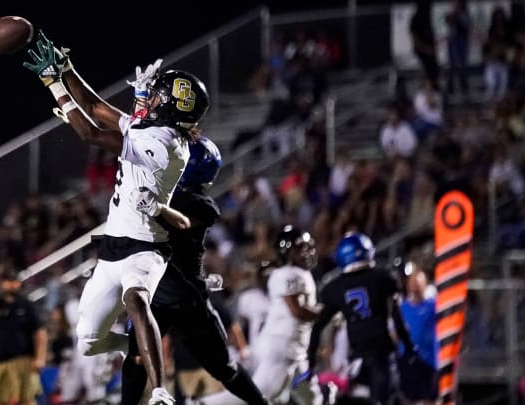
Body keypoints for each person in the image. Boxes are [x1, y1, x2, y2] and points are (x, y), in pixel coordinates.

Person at [23, 31, 208, 405]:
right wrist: (67, 69)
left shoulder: (162, 143)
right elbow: (95, 107)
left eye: (159, 95)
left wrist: (54, 86)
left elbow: (91, 133)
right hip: (113, 247)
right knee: (88, 340)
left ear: (171, 108)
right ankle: (141, 345)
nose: (150, 97)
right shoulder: (156, 131)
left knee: (136, 300)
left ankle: (159, 391)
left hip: (147, 246)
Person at [119, 137, 267, 405]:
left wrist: (150, 203)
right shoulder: (168, 191)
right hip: (160, 293)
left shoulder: (200, 204)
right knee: (136, 357)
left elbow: (177, 220)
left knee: (223, 368)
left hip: (183, 295)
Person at [199, 225, 322, 405]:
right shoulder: (288, 274)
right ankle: (203, 404)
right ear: (287, 251)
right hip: (282, 347)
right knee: (260, 395)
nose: (308, 251)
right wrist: (328, 310)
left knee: (312, 399)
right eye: (301, 247)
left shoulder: (297, 273)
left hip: (294, 349)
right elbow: (297, 310)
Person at [304, 232, 417, 405]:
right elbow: (397, 318)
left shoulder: (335, 288)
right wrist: (409, 346)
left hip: (356, 359)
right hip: (381, 354)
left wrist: (310, 358)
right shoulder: (383, 278)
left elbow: (318, 326)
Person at [0, 269, 47, 405]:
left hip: (23, 359)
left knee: (27, 398)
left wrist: (40, 357)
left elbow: (40, 332)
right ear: (2, 283)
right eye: (8, 281)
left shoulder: (27, 305)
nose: (11, 285)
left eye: (14, 281)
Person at [398, 269, 438, 405]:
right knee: (408, 398)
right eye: (413, 282)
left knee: (430, 399)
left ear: (425, 284)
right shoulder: (401, 308)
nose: (415, 285)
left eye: (419, 282)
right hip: (407, 359)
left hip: (429, 360)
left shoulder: (434, 306)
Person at [410, 0, 439, 89]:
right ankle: (427, 89)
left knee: (435, 69)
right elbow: (415, 41)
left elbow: (430, 35)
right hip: (422, 50)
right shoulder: (416, 19)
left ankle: (433, 87)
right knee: (429, 71)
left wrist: (433, 47)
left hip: (429, 50)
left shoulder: (427, 18)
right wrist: (426, 49)